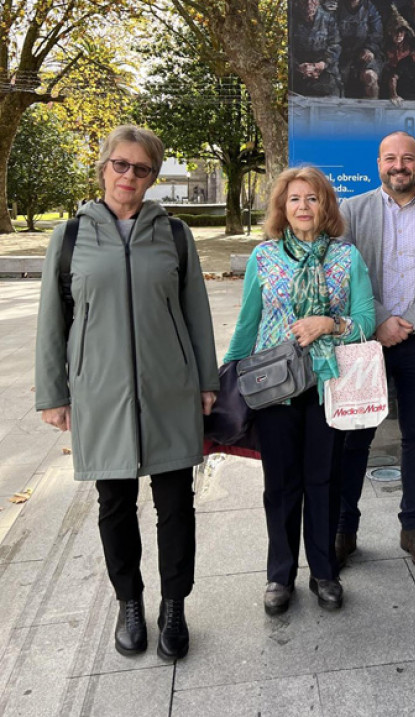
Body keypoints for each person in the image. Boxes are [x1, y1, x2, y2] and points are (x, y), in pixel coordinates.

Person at [34, 125, 219, 661]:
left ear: (152, 178)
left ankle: (174, 605)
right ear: (103, 168)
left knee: (174, 504)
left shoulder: (176, 236)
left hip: (169, 389)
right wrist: (53, 393)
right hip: (101, 392)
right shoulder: (70, 237)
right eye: (121, 165)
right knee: (113, 503)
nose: (129, 177)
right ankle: (130, 602)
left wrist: (206, 381)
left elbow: (197, 317)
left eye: (141, 169)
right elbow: (53, 320)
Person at [223, 167, 375, 615]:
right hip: (275, 389)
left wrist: (330, 323)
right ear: (282, 208)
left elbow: (366, 321)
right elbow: (247, 324)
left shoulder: (346, 259)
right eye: (294, 200)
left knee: (324, 481)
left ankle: (324, 571)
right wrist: (223, 382)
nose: (303, 207)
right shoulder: (264, 258)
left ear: (325, 205)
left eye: (312, 199)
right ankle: (279, 574)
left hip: (330, 386)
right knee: (281, 485)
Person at [336, 131, 415, 571]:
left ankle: (413, 527)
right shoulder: (351, 212)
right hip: (365, 342)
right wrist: (380, 320)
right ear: (378, 164)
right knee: (354, 440)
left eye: (407, 158)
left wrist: (408, 321)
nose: (399, 166)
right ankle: (344, 529)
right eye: (390, 158)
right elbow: (344, 272)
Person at [290, 0, 342, 97]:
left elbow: (335, 45)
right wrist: (298, 66)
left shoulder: (328, 18)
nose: (309, 3)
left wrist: (321, 64)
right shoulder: (291, 19)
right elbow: (287, 49)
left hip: (325, 71)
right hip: (299, 72)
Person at [336, 0, 383, 98]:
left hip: (363, 53)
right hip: (341, 55)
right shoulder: (337, 7)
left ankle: (372, 110)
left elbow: (377, 33)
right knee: (336, 81)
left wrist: (369, 48)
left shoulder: (370, 8)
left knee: (371, 76)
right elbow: (331, 33)